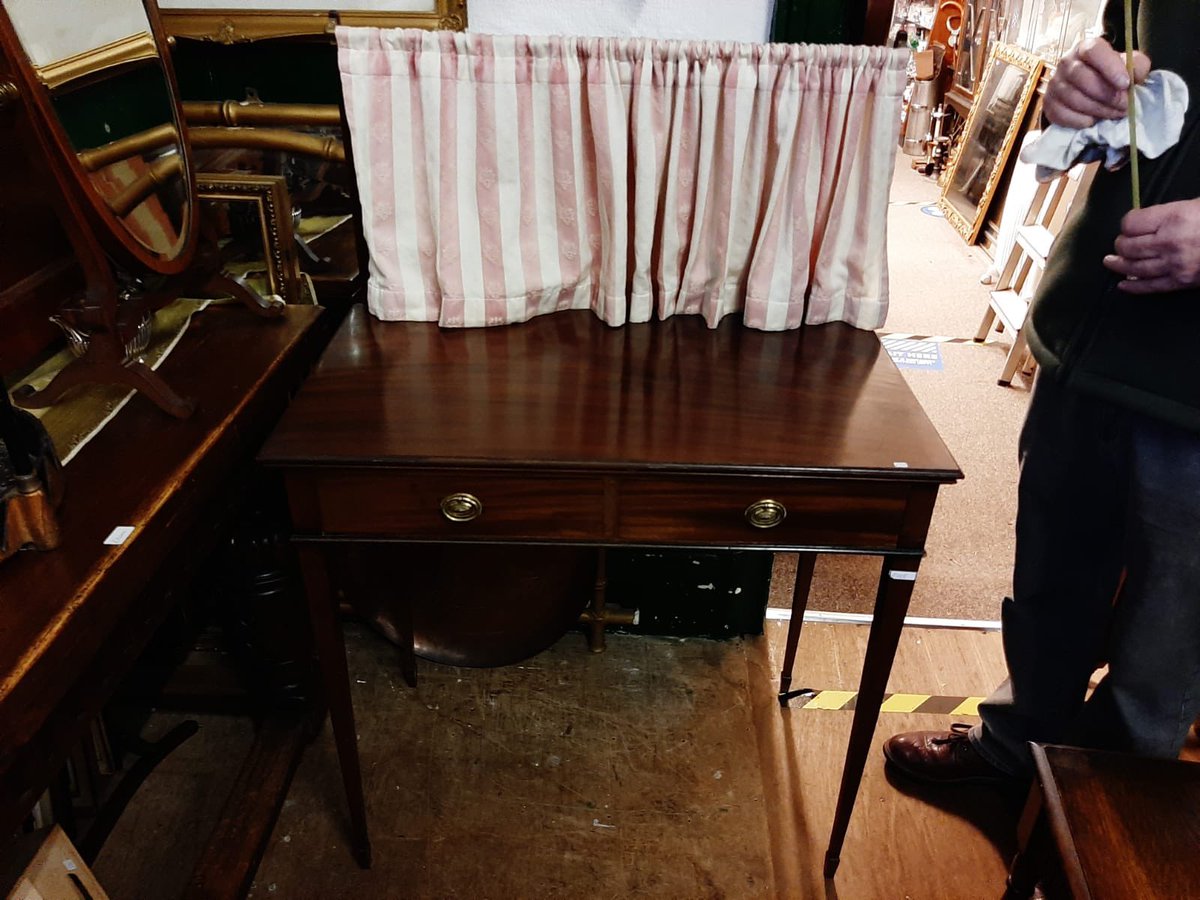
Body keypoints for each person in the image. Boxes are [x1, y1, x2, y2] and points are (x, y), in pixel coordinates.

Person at [884, 0, 1200, 785]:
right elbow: (1129, 90)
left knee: (1159, 668)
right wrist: (1076, 98)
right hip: (1087, 345)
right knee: (1049, 600)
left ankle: (1093, 845)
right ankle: (1009, 763)